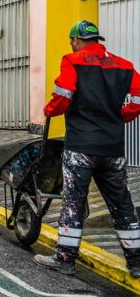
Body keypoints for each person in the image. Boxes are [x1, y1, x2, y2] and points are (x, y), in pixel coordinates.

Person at [34, 20, 140, 277]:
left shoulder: (73, 60)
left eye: (73, 41)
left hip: (81, 146)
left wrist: (49, 111)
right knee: (122, 204)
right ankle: (136, 263)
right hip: (112, 148)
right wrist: (120, 116)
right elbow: (137, 100)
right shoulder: (124, 65)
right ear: (97, 40)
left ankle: (65, 258)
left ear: (76, 40)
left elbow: (63, 95)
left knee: (73, 202)